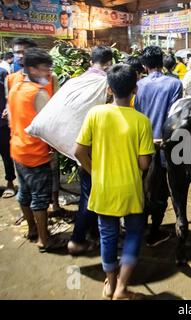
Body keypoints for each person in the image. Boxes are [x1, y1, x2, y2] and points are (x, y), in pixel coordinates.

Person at [75, 64, 155, 300]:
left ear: (109, 89)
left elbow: (79, 151)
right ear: (135, 89)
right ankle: (122, 288)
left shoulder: (95, 114)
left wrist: (95, 172)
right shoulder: (142, 121)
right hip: (131, 189)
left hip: (104, 189)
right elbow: (144, 165)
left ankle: (110, 286)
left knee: (108, 235)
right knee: (132, 235)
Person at [7, 48, 65, 252]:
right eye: (44, 69)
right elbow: (47, 126)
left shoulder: (15, 86)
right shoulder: (37, 93)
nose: (48, 73)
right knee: (40, 197)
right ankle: (44, 239)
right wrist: (53, 148)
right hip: (35, 152)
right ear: (31, 68)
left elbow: (12, 118)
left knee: (24, 191)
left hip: (17, 148)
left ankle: (32, 229)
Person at [134, 46, 183, 247]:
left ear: (144, 65)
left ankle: (139, 228)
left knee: (141, 188)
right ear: (162, 62)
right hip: (164, 147)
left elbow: (136, 114)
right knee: (160, 191)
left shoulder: (139, 84)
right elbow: (175, 117)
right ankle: (154, 231)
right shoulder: (174, 84)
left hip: (141, 145)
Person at [67, 46, 113, 255]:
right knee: (90, 196)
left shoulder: (78, 80)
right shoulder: (104, 83)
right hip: (98, 150)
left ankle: (94, 232)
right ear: (108, 62)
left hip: (79, 144)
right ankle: (76, 240)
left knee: (90, 191)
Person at [0, 55, 15, 198]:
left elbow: (9, 95)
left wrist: (7, 108)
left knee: (6, 154)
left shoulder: (2, 73)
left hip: (2, 123)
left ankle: (10, 182)